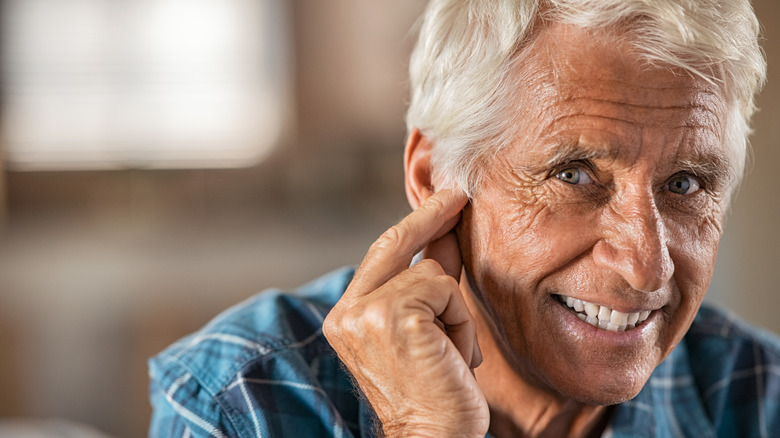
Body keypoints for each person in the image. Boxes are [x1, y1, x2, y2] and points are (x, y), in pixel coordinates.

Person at [148, 0, 780, 436]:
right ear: (433, 178)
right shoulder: (242, 402)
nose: (646, 267)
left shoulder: (759, 399)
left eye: (686, 183)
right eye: (574, 174)